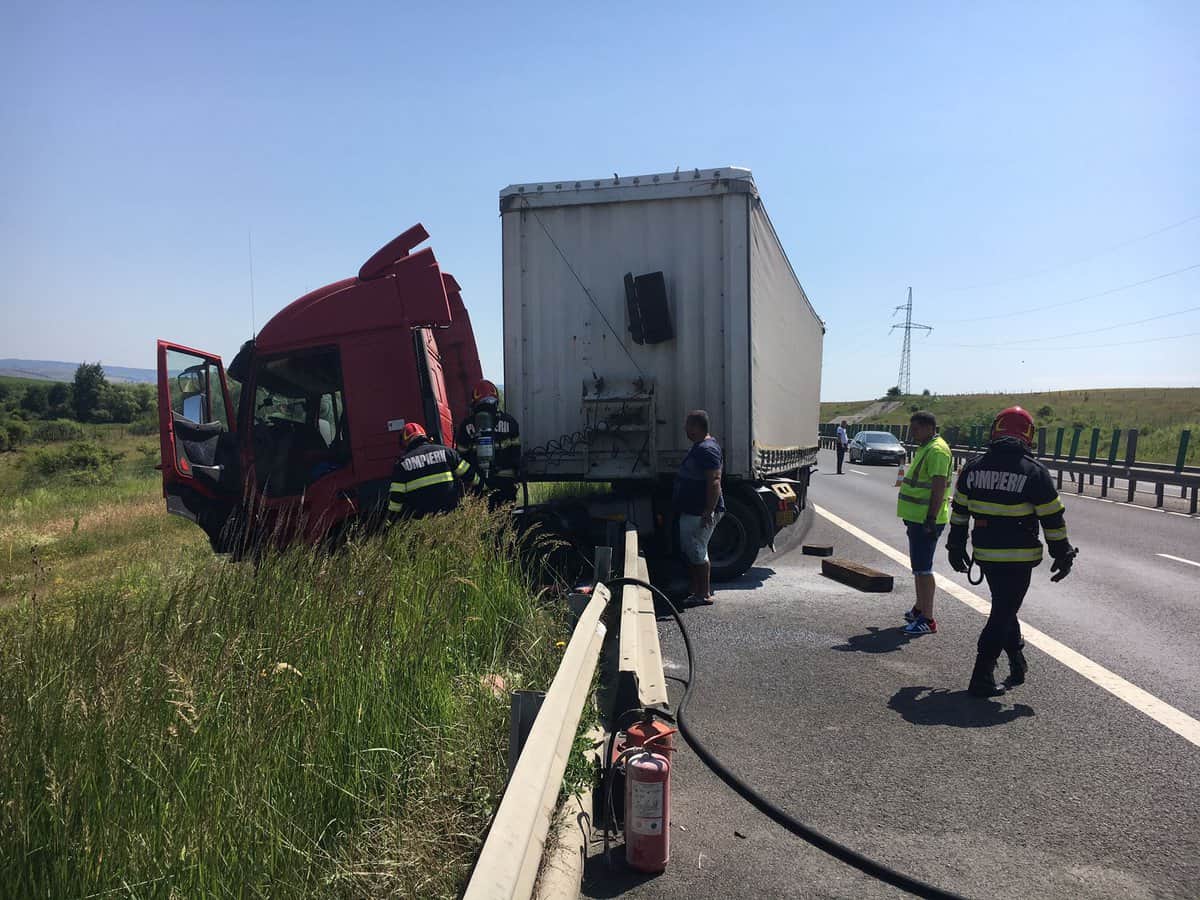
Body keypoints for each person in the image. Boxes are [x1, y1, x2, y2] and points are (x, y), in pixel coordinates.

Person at [946, 406, 1078, 698]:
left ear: (995, 430)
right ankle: (982, 675)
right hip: (1019, 559)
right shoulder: (1034, 473)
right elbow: (1052, 519)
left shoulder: (973, 467)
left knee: (1004, 607)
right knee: (1003, 611)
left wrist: (955, 546)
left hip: (986, 555)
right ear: (1029, 436)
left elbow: (959, 512)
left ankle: (1017, 661)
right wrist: (1062, 553)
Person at [897, 411, 952, 635]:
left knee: (923, 569)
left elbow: (938, 487)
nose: (913, 432)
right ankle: (919, 608)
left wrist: (930, 518)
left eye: (916, 428)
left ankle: (927, 619)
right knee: (918, 568)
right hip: (918, 519)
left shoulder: (937, 451)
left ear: (929, 427)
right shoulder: (926, 447)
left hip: (927, 520)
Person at [673, 410, 725, 605]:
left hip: (699, 511)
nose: (685, 429)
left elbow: (714, 480)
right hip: (693, 510)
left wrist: (708, 510)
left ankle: (703, 594)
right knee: (691, 549)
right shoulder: (701, 447)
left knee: (697, 550)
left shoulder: (707, 449)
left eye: (688, 425)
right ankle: (695, 589)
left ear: (697, 427)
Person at [388, 422, 478, 518]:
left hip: (423, 523)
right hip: (452, 516)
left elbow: (396, 501)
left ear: (405, 443)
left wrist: (389, 523)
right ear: (424, 436)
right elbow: (470, 475)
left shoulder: (401, 465)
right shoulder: (447, 452)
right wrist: (483, 488)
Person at [455, 379, 522, 507]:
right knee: (505, 518)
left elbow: (461, 457)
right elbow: (516, 453)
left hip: (479, 483)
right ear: (496, 400)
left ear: (474, 403)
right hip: (505, 482)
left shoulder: (466, 425)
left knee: (480, 521)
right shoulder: (510, 422)